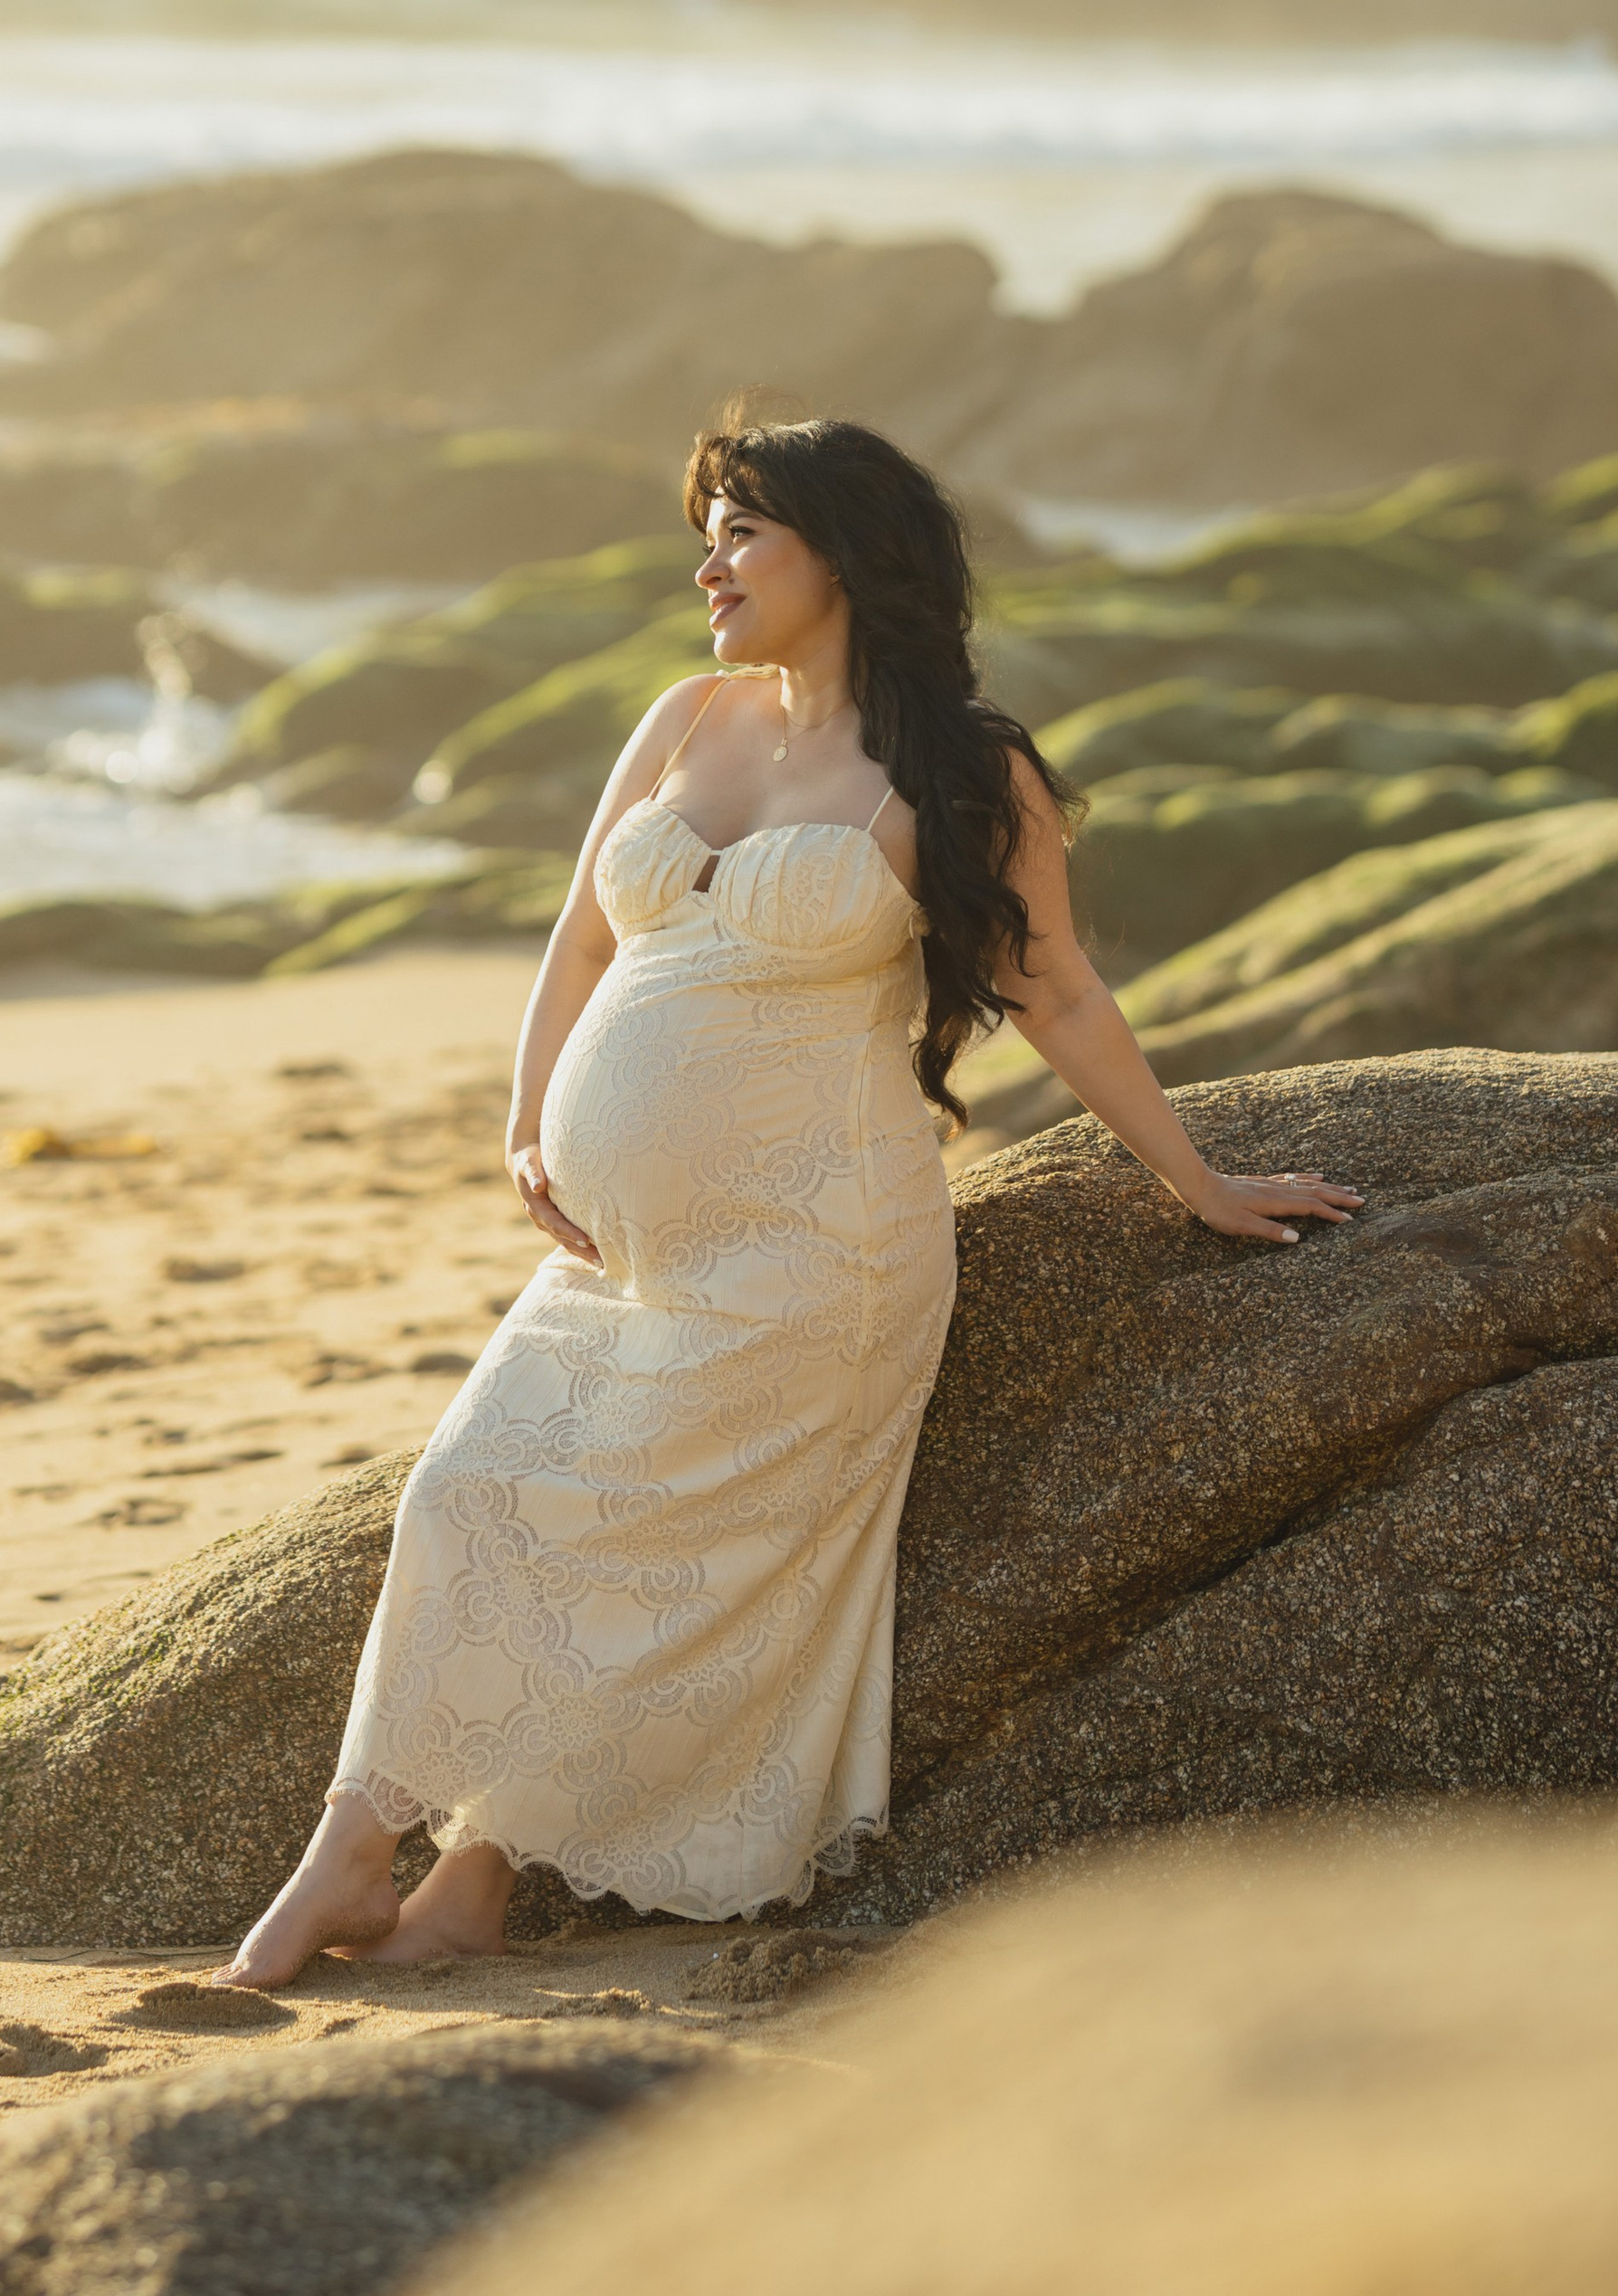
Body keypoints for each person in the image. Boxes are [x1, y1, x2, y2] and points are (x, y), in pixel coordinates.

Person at [217, 414, 1358, 1985]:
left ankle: (396, 1866)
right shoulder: (688, 718)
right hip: (624, 1253)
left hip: (821, 1258)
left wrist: (1200, 1180)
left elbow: (1059, 992)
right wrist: (524, 1123)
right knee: (469, 1498)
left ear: (846, 553)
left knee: (662, 1563)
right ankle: (436, 1880)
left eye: (744, 530)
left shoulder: (966, 771)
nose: (710, 561)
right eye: (711, 528)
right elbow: (577, 941)